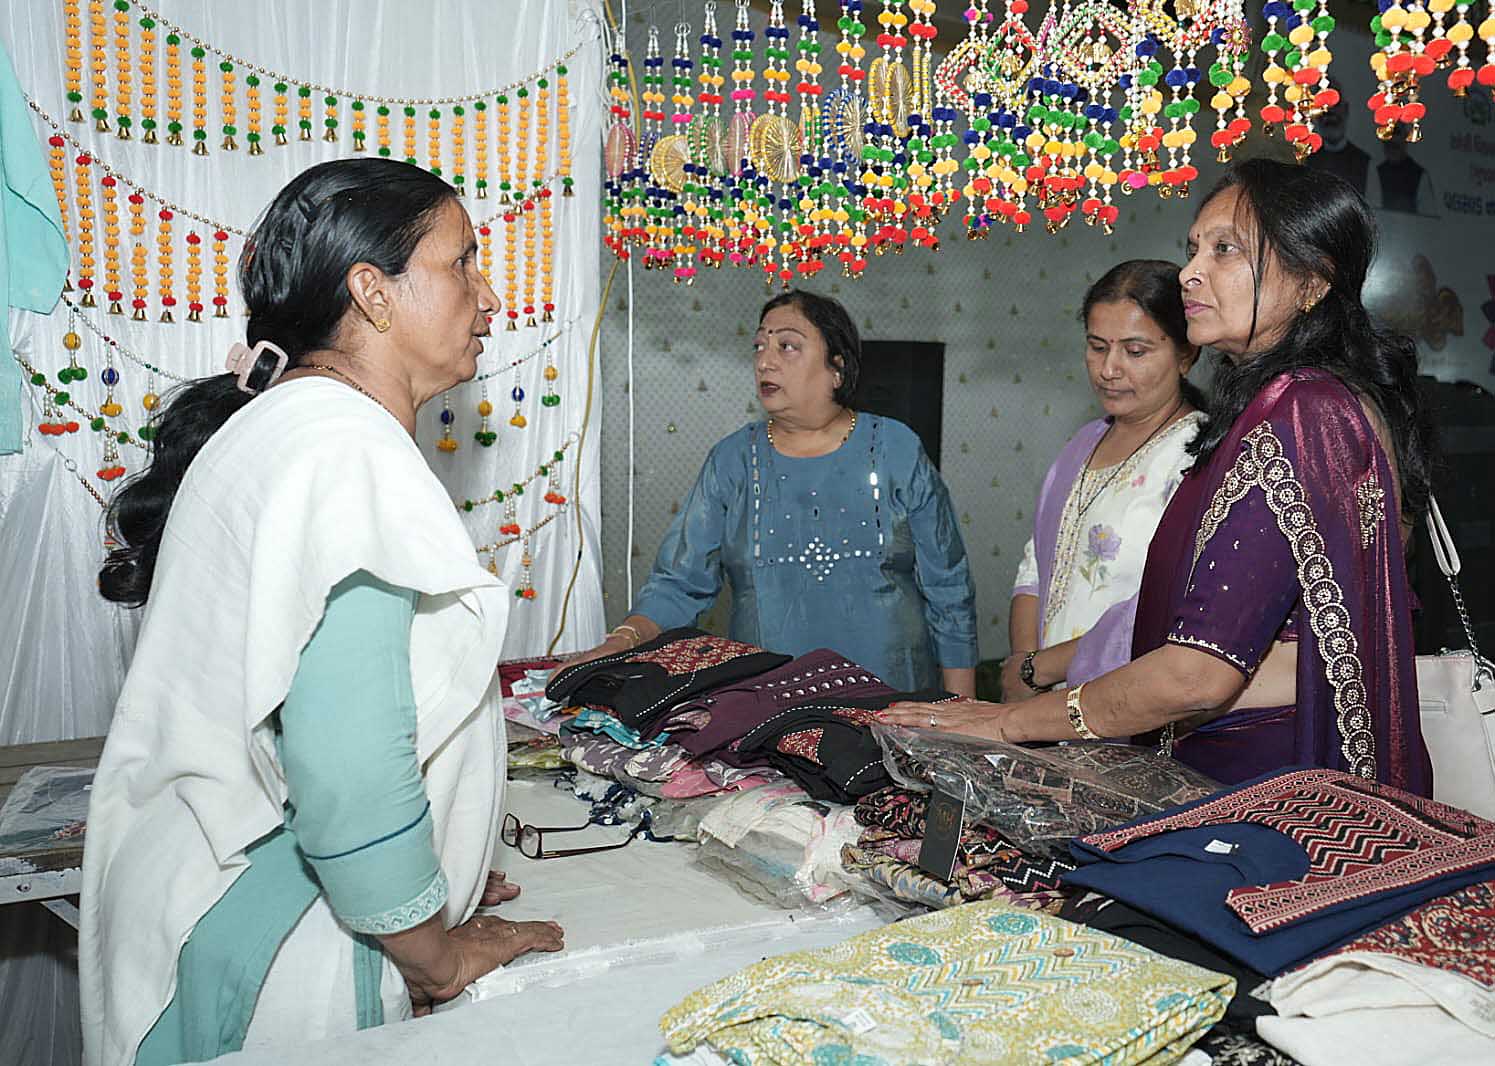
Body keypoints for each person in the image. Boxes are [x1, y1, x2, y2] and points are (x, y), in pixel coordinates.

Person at [79, 159, 564, 1066]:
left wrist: (429, 871)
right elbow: (346, 768)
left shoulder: (288, 427)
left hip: (209, 903)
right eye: (462, 261)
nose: (488, 295)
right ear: (373, 293)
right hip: (275, 938)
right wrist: (430, 948)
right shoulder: (344, 453)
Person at [889, 159, 1436, 795]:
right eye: (1193, 248)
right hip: (1227, 763)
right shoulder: (1290, 405)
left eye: (1224, 249)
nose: (1190, 272)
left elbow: (1199, 673)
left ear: (1311, 280)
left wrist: (1012, 722)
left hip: (1266, 786)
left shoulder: (1303, 408)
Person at [577, 289, 979, 695]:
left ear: (837, 367)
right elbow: (678, 583)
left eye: (787, 346)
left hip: (893, 700)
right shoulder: (733, 459)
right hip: (768, 705)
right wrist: (623, 639)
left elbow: (948, 587)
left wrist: (963, 707)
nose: (764, 362)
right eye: (759, 346)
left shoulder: (896, 448)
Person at [1005, 260, 1205, 702]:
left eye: (1135, 352)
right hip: (1042, 702)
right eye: (1097, 347)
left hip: (1127, 702)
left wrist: (1040, 668)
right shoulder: (1082, 444)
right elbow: (1035, 568)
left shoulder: (1198, 458)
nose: (1109, 369)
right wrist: (1024, 668)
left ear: (1186, 354)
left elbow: (1167, 609)